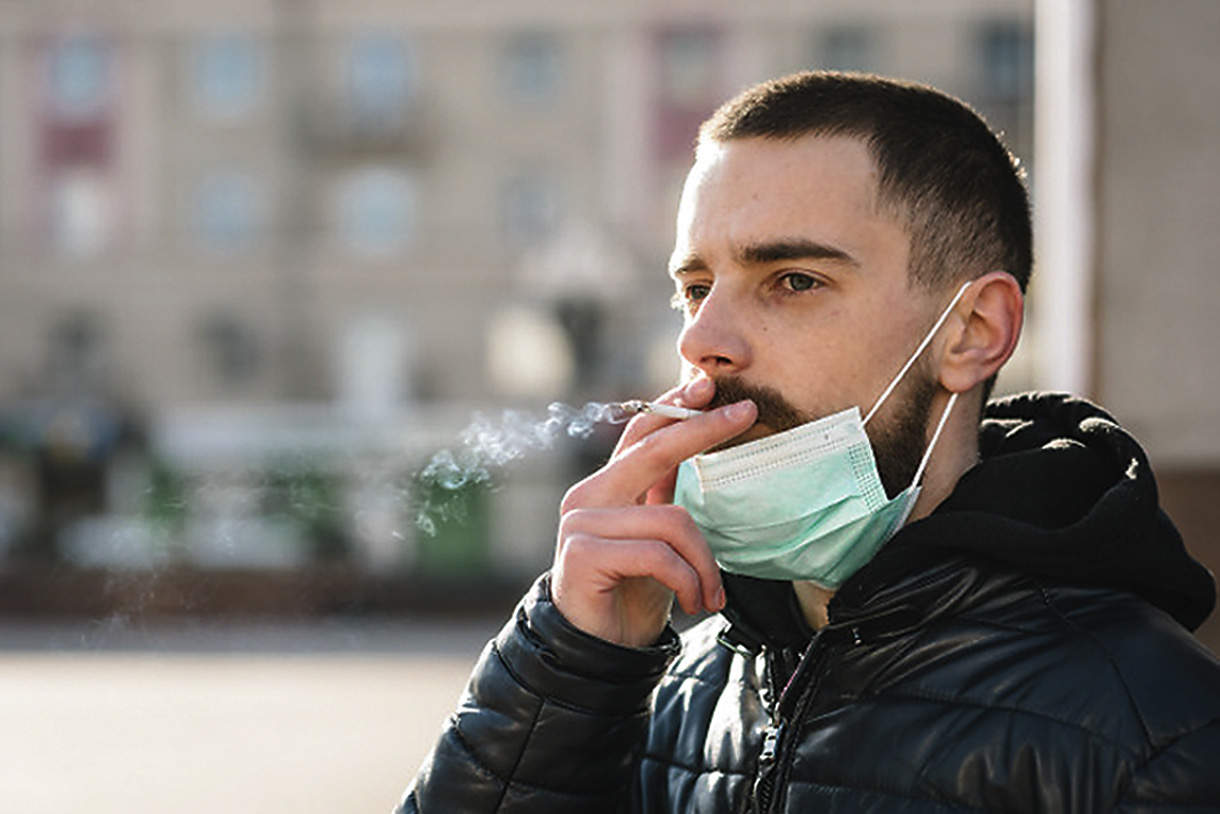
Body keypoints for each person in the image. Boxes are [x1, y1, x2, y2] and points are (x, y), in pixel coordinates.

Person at [399, 72, 1220, 813]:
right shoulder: (672, 688)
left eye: (793, 281)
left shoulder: (1156, 733)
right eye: (694, 288)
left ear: (972, 330)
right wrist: (568, 670)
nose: (703, 340)